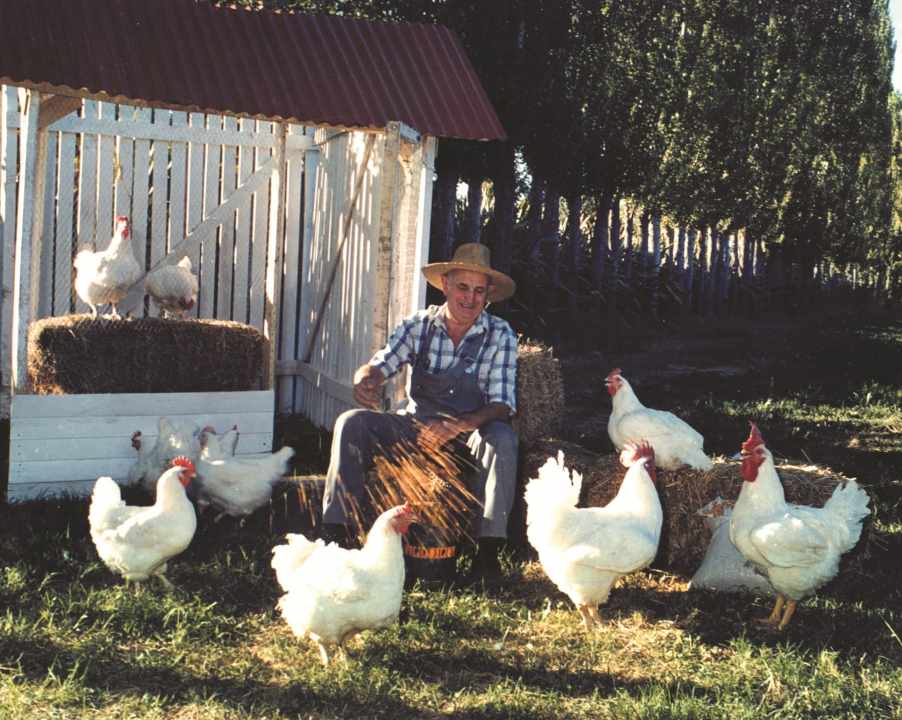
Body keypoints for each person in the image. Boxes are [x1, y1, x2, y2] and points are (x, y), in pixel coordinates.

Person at [321, 243, 519, 584]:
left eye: (479, 291)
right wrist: (366, 378)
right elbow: (381, 364)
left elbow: (503, 403)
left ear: (488, 295)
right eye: (462, 288)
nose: (470, 299)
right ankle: (336, 536)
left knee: (502, 438)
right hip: (416, 425)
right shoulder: (419, 325)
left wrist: (460, 424)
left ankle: (487, 554)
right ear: (444, 284)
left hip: (469, 431)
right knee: (351, 423)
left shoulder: (499, 333)